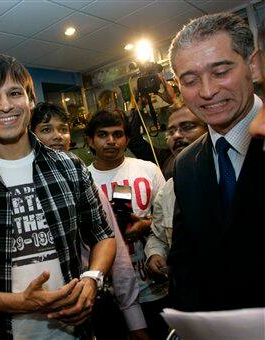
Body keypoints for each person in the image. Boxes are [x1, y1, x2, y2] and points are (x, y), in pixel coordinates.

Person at [0, 54, 116, 339]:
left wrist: (92, 279)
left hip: (76, 331)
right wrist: (14, 303)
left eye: (14, 93)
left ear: (30, 101)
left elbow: (103, 235)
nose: (5, 106)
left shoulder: (69, 167)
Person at [167, 12, 264, 312]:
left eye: (221, 72)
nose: (207, 92)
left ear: (253, 64)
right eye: (190, 80)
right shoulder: (185, 164)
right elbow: (184, 259)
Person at [31, 102, 150, 340]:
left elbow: (116, 252)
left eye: (62, 129)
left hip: (95, 303)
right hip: (38, 313)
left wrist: (134, 318)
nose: (57, 136)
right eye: (46, 129)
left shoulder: (86, 185)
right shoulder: (19, 192)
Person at [85, 109, 169, 340]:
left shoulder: (148, 169)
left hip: (153, 283)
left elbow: (167, 218)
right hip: (110, 290)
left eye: (117, 134)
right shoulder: (83, 179)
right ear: (90, 141)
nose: (111, 141)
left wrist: (144, 224)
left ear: (127, 139)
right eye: (103, 134)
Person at [144, 105, 207, 278]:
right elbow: (158, 236)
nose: (177, 136)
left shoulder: (231, 178)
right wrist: (155, 254)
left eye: (187, 127)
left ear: (210, 129)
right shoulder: (167, 191)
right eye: (171, 132)